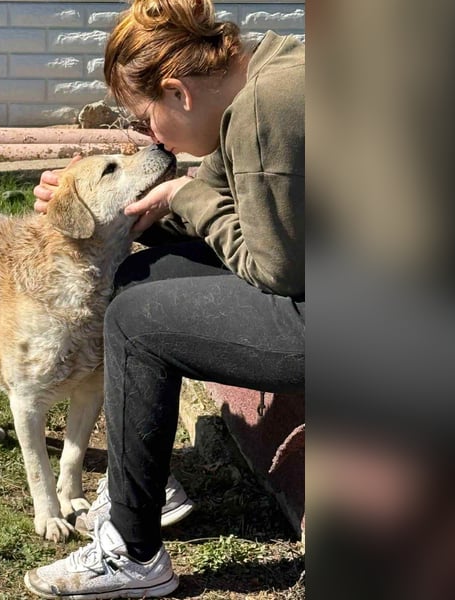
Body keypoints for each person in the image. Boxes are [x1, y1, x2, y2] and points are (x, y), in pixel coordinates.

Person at [25, 0, 304, 597]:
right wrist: (138, 213)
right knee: (145, 273)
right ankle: (143, 484)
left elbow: (274, 269)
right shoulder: (271, 71)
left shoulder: (264, 108)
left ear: (177, 93)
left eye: (144, 119)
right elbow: (249, 212)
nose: (150, 138)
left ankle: (133, 553)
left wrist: (185, 195)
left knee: (132, 322)